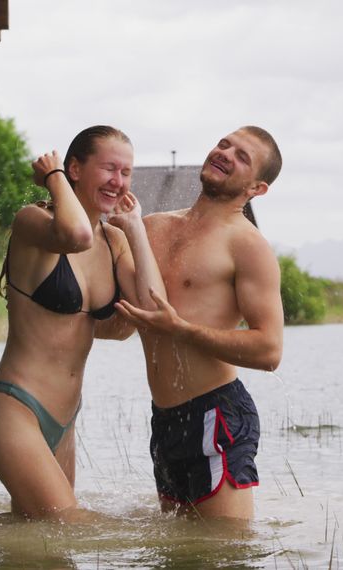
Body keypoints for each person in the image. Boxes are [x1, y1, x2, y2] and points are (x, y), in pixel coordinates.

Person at [0, 125, 160, 520]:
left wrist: (135, 227)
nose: (119, 181)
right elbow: (77, 234)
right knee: (70, 526)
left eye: (126, 172)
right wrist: (53, 177)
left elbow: (150, 306)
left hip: (64, 422)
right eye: (110, 168)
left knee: (42, 548)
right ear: (75, 168)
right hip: (16, 409)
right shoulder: (33, 222)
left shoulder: (115, 241)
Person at [114, 126, 285, 520]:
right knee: (178, 554)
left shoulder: (248, 246)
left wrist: (183, 329)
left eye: (242, 157)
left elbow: (270, 350)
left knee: (224, 554)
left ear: (256, 189)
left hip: (217, 414)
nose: (225, 153)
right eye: (225, 144)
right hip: (165, 417)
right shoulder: (149, 227)